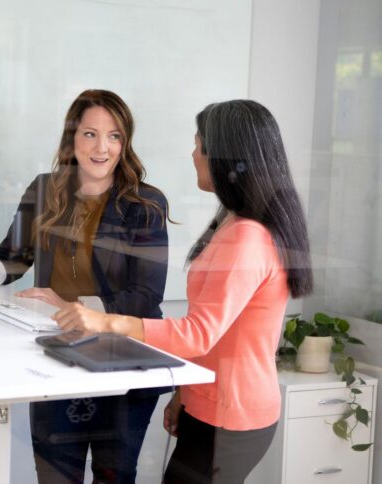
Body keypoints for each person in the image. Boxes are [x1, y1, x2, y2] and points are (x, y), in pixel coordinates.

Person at [52, 99, 314, 484]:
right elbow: (218, 334)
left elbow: (198, 332)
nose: (193, 154)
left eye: (199, 145)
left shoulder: (247, 237)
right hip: (209, 404)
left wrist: (106, 321)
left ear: (226, 158)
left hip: (231, 414)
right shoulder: (232, 221)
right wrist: (185, 395)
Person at [0, 89, 170, 483]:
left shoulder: (146, 204)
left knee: (115, 476)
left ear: (125, 142)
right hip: (60, 356)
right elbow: (12, 259)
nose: (102, 147)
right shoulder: (44, 190)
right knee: (55, 476)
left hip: (124, 360)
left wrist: (74, 304)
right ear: (72, 138)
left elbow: (146, 297)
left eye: (114, 136)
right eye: (90, 134)